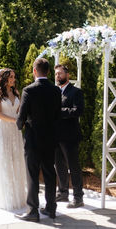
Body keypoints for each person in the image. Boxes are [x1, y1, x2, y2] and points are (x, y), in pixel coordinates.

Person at [16, 58, 61, 222]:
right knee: (49, 173)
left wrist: (19, 125)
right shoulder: (56, 91)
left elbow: (21, 115)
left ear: (35, 71)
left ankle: (33, 211)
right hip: (50, 139)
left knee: (32, 174)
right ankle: (51, 208)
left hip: (33, 139)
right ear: (48, 72)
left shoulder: (29, 90)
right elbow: (58, 115)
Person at [0, 68, 27, 211]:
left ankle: (18, 196)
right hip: (3, 130)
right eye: (10, 77)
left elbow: (19, 110)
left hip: (15, 131)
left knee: (16, 160)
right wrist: (15, 121)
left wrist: (22, 119)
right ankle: (6, 198)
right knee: (4, 161)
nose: (13, 79)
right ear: (3, 78)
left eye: (14, 77)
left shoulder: (16, 92)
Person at [54, 64, 84, 208]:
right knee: (59, 166)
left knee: (74, 167)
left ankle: (78, 197)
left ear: (67, 75)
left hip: (70, 137)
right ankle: (63, 193)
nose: (57, 76)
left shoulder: (76, 92)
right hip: (56, 136)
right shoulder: (54, 92)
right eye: (56, 74)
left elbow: (78, 111)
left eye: (60, 74)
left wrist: (59, 111)